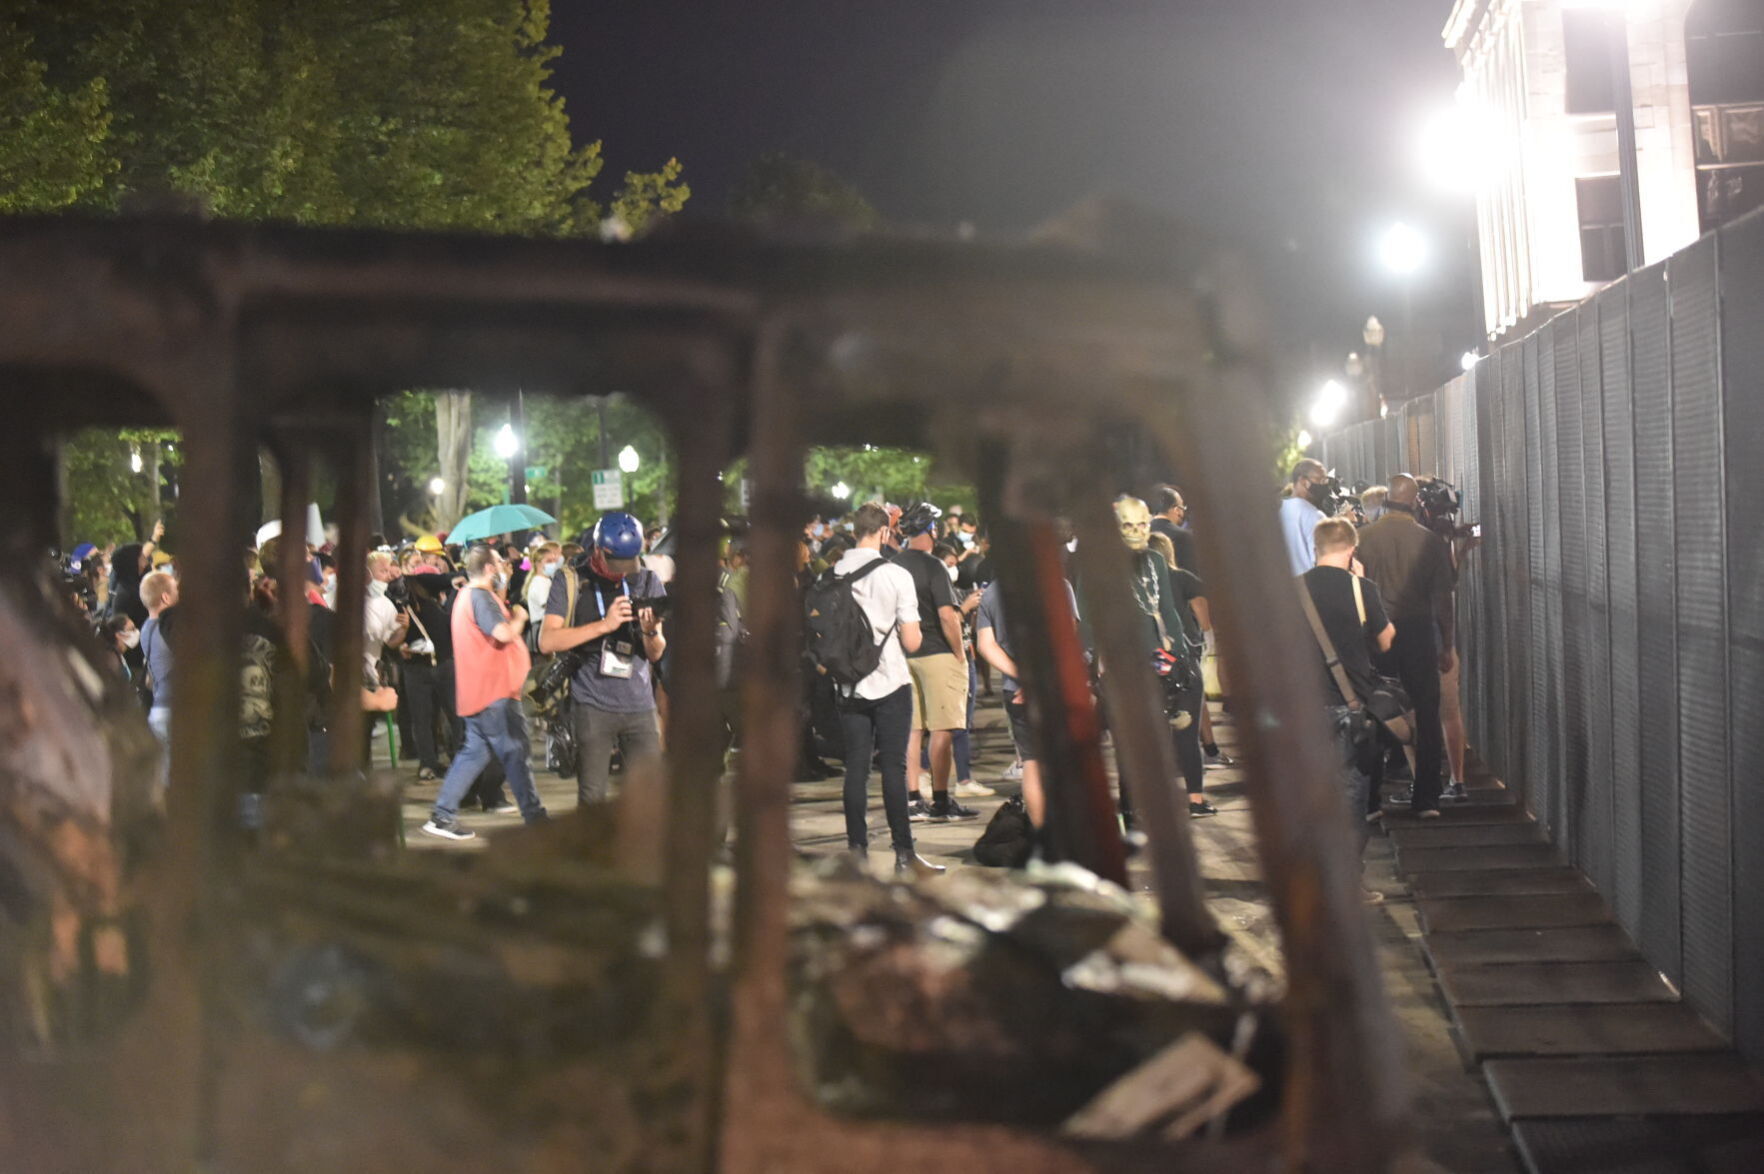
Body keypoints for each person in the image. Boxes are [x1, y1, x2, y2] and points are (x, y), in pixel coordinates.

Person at [826, 503, 941, 875]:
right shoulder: (895, 575)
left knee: (855, 768)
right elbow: (911, 641)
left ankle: (856, 853)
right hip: (890, 681)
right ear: (883, 533)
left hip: (847, 685)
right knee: (894, 767)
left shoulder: (832, 574)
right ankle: (904, 855)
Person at [540, 512, 667, 807]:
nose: (622, 572)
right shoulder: (571, 580)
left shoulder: (647, 580)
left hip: (640, 705)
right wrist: (605, 625)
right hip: (593, 706)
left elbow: (656, 652)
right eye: (615, 564)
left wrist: (650, 632)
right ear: (598, 551)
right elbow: (547, 640)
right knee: (592, 798)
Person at [421, 546, 546, 840]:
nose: (505, 566)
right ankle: (536, 818)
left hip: (481, 691)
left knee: (474, 753)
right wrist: (519, 617)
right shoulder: (478, 595)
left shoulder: (469, 596)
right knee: (516, 752)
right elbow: (502, 633)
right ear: (490, 568)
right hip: (495, 692)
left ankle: (442, 815)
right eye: (501, 562)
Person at [1299, 517, 1395, 901]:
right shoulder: (1361, 589)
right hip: (1351, 705)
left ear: (1315, 548)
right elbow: (1386, 641)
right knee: (1353, 795)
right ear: (1352, 550)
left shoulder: (1293, 589)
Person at [1354, 474, 1456, 818]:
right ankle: (1427, 799)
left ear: (1386, 501)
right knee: (1427, 712)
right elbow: (1443, 599)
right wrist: (1448, 645)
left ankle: (1370, 801)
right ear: (1415, 502)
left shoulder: (1363, 538)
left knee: (1375, 712)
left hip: (1375, 634)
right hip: (1417, 633)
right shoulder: (1429, 542)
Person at [1115, 498, 1212, 817]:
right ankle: (1195, 800)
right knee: (1186, 735)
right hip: (1175, 661)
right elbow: (1203, 620)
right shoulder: (1183, 578)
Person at [894, 504, 977, 823]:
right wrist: (958, 652)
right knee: (943, 728)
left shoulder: (892, 565)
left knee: (913, 729)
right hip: (938, 653)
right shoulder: (934, 567)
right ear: (930, 530)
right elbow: (947, 614)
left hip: (905, 655)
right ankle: (941, 800)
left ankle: (914, 799)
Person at [138, 569, 179, 745]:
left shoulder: (146, 629)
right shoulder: (169, 630)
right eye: (176, 590)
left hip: (158, 709)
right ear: (165, 598)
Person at [1279, 459, 1330, 576]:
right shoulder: (1315, 516)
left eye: (1325, 480)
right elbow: (1322, 562)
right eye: (1320, 480)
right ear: (1303, 481)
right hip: (1308, 586)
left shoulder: (1279, 510)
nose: (1324, 485)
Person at [1150, 484, 1202, 579]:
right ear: (1177, 510)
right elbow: (1191, 574)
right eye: (1182, 508)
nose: (1183, 513)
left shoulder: (1144, 533)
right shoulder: (1183, 536)